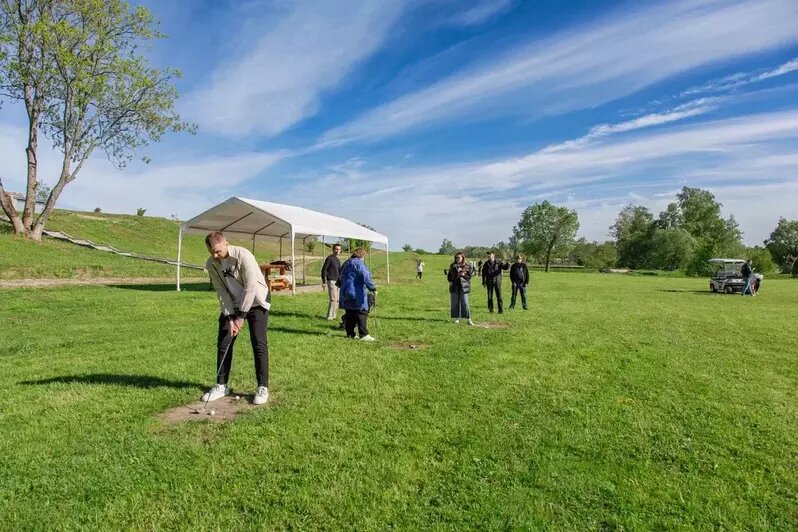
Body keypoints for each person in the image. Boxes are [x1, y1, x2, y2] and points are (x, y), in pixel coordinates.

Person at [202, 231, 271, 406]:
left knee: (258, 343)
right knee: (224, 342)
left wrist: (241, 317)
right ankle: (221, 385)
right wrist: (231, 316)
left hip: (256, 300)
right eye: (212, 252)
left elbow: (250, 287)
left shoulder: (244, 255)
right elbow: (222, 291)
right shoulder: (211, 264)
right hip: (233, 302)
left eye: (218, 251)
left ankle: (262, 387)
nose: (215, 255)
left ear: (225, 243)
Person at [339, 248, 378, 341]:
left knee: (350, 313)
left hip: (345, 291)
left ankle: (350, 334)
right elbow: (365, 275)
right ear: (362, 255)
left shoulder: (347, 263)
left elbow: (340, 276)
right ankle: (363, 335)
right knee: (362, 311)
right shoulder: (359, 263)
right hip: (356, 291)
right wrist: (373, 288)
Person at [447, 252, 474, 325]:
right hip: (455, 287)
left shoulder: (467, 266)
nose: (457, 259)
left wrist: (463, 275)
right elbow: (449, 276)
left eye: (459, 257)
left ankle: (468, 319)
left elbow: (469, 277)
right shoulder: (452, 266)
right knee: (455, 303)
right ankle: (457, 318)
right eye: (456, 258)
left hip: (464, 287)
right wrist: (451, 281)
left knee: (465, 303)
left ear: (462, 258)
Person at [321, 243, 342, 320]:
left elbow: (339, 272)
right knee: (333, 299)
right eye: (336, 249)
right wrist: (324, 281)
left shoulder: (337, 260)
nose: (337, 251)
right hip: (332, 281)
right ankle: (329, 316)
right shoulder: (330, 258)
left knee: (337, 300)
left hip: (338, 282)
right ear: (333, 250)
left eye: (339, 249)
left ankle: (334, 315)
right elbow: (324, 270)